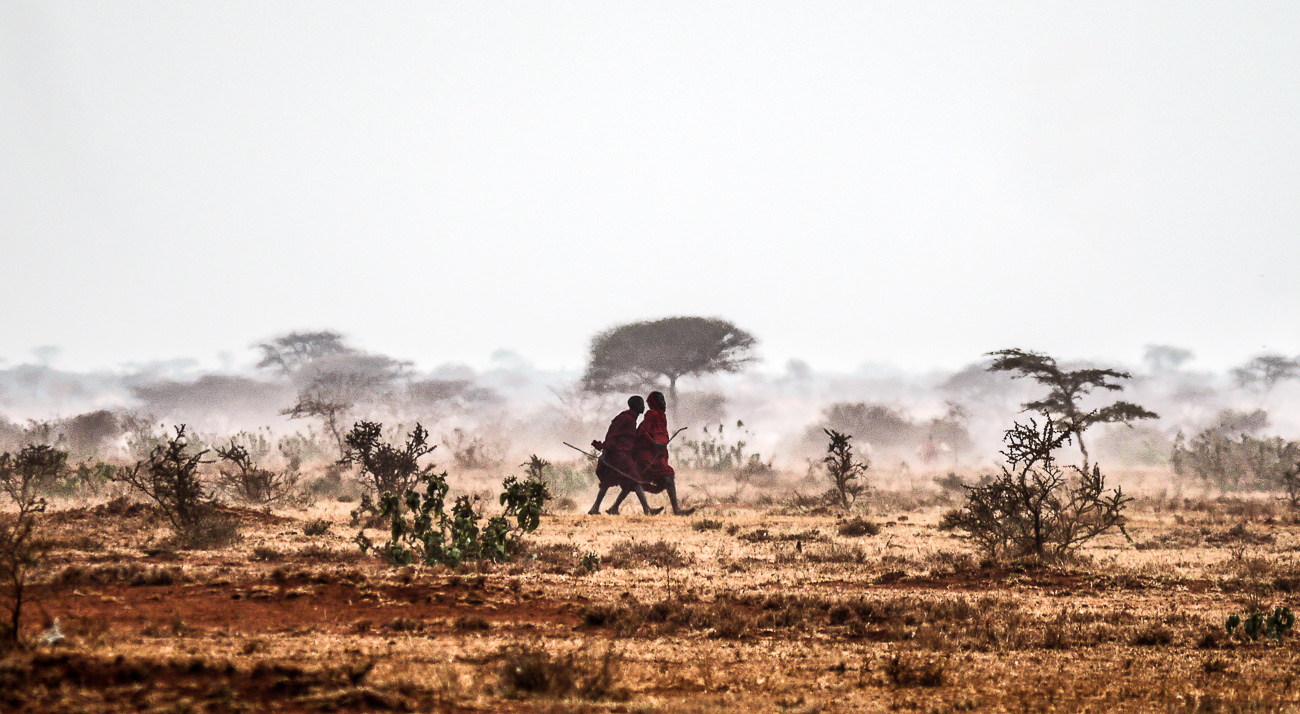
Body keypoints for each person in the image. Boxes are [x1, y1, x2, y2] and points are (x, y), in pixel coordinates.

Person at [609, 390, 694, 516]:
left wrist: (661, 447)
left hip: (657, 454)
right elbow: (645, 433)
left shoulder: (662, 416)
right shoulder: (651, 414)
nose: (664, 403)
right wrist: (654, 444)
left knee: (637, 480)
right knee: (644, 479)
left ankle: (614, 508)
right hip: (646, 455)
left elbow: (661, 434)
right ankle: (674, 510)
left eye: (664, 400)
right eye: (661, 400)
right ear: (654, 402)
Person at [587, 395, 661, 516]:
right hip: (618, 456)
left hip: (623, 455)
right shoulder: (625, 418)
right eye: (642, 404)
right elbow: (612, 435)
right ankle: (647, 509)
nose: (644, 407)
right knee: (634, 480)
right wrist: (605, 452)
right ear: (636, 406)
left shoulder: (632, 419)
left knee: (622, 483)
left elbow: (630, 439)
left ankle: (604, 508)